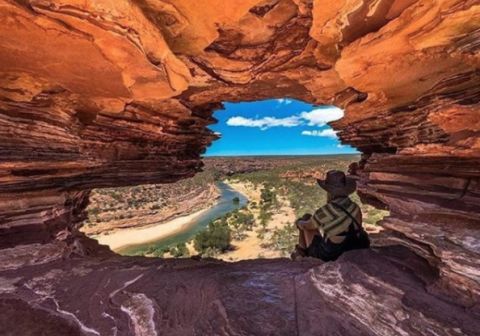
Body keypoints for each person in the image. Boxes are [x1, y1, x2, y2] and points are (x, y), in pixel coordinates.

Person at [291, 170, 370, 261]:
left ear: (329, 192)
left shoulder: (326, 211)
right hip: (352, 248)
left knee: (306, 218)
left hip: (331, 255)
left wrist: (299, 222)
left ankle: (301, 253)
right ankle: (301, 252)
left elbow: (307, 226)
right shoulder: (355, 207)